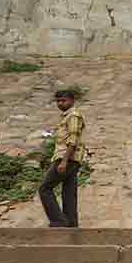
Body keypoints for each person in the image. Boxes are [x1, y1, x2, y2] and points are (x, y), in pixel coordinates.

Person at [40, 88, 87, 228]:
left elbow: (73, 139)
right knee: (68, 193)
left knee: (45, 189)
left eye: (64, 100)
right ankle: (71, 224)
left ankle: (58, 221)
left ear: (72, 101)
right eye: (58, 101)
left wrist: (64, 161)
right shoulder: (67, 116)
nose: (60, 103)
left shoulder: (73, 116)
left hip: (66, 158)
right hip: (73, 159)